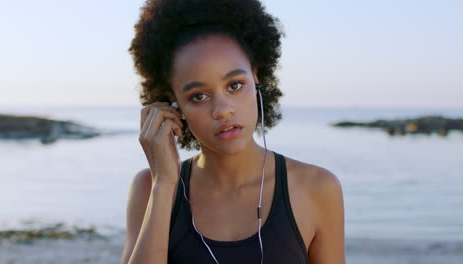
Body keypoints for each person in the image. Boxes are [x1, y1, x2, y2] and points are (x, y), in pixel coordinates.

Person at [120, 0, 345, 263]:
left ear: (256, 77)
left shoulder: (317, 187)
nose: (222, 110)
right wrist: (164, 184)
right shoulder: (149, 187)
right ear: (173, 103)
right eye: (199, 96)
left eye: (235, 85)